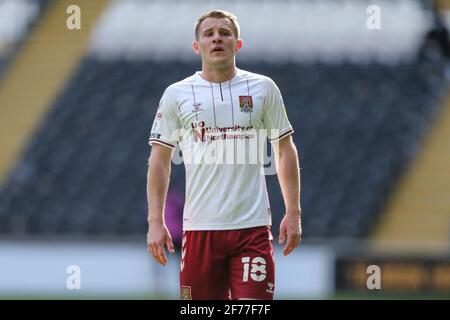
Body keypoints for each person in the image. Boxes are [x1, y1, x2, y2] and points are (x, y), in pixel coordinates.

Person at [146, 9, 302, 300]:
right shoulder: (176, 94)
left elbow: (284, 150)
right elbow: (160, 160)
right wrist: (156, 221)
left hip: (252, 229)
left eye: (224, 33)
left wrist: (293, 213)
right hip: (200, 229)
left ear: (237, 43)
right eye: (209, 33)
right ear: (197, 46)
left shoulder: (263, 89)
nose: (217, 38)